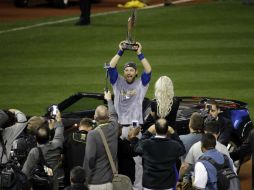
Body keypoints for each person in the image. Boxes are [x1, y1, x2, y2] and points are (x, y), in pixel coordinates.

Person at [130, 118, 185, 190]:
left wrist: (148, 132)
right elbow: (182, 149)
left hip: (149, 185)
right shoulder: (174, 145)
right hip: (167, 185)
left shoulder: (147, 144)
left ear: (155, 129)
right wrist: (173, 133)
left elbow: (136, 148)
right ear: (167, 129)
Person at [108, 41, 152, 126]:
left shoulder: (141, 84)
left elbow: (148, 70)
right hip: (119, 125)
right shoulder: (117, 82)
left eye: (131, 70)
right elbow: (111, 67)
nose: (129, 72)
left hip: (135, 126)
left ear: (136, 72)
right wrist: (120, 51)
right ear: (123, 72)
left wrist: (139, 53)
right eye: (127, 70)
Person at [83, 91, 118, 190]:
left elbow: (89, 160)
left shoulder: (92, 134)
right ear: (108, 117)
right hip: (111, 182)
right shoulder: (114, 128)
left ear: (94, 117)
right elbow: (114, 115)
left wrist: (85, 179)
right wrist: (109, 99)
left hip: (95, 183)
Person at [22, 110, 64, 190]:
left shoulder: (34, 151)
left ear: (36, 139)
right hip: (53, 186)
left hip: (38, 186)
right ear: (49, 137)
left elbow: (25, 172)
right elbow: (59, 131)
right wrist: (58, 120)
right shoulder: (57, 145)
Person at [63, 118, 93, 186]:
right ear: (91, 127)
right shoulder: (93, 139)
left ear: (80, 126)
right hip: (88, 178)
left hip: (71, 178)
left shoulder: (70, 137)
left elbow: (61, 154)